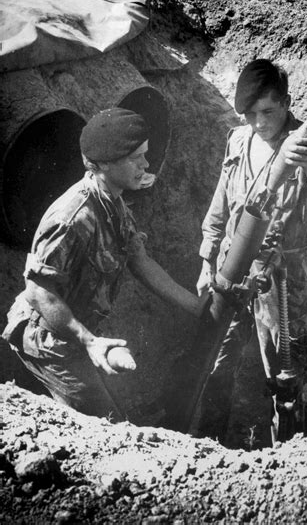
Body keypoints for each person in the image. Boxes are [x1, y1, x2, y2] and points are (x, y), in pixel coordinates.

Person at [2, 108, 205, 422]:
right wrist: (90, 342)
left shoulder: (113, 201)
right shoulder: (72, 219)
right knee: (107, 425)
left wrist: (196, 308)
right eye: (135, 158)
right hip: (48, 339)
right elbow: (39, 294)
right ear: (101, 165)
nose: (146, 165)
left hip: (72, 332)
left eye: (145, 155)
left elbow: (140, 261)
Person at [196, 59, 307, 443]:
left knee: (285, 373)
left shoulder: (306, 146)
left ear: (286, 102)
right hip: (233, 269)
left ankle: (285, 456)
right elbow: (221, 204)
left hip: (285, 280)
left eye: (267, 111)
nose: (258, 122)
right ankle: (207, 447)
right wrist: (206, 258)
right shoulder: (238, 139)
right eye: (250, 114)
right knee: (215, 363)